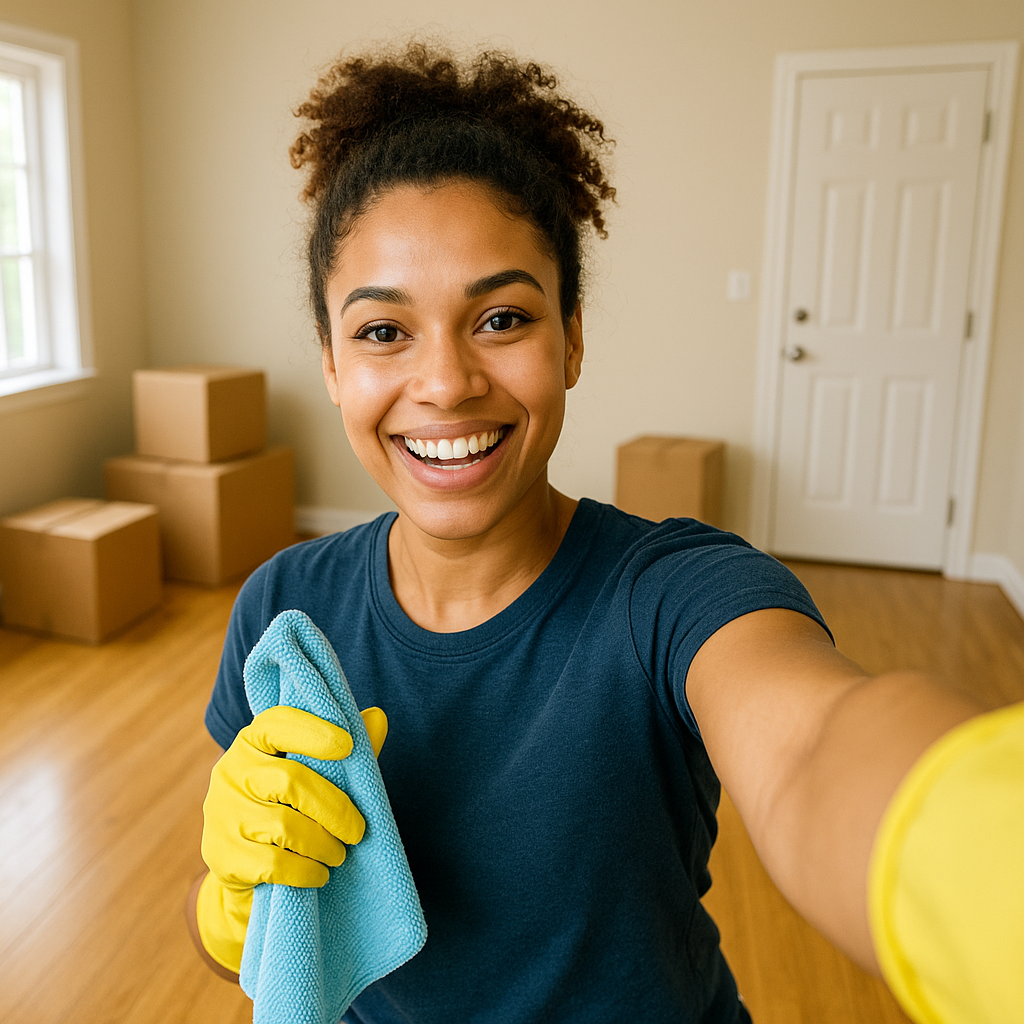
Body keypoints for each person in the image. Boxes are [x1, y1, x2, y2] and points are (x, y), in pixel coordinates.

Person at [190, 41, 1023, 1024]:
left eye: (500, 317)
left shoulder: (675, 594)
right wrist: (233, 905)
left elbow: (813, 748)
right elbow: (269, 947)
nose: (447, 381)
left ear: (571, 336)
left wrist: (969, 850)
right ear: (330, 362)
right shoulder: (285, 612)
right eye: (382, 332)